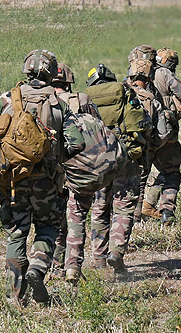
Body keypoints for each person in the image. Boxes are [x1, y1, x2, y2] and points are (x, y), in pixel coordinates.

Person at [0, 50, 85, 305]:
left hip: (13, 181)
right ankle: (37, 269)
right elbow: (77, 143)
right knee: (48, 227)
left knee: (16, 234)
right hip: (47, 183)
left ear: (26, 70)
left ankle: (15, 297)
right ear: (52, 73)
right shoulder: (59, 103)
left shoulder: (7, 99)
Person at [84, 61, 153, 274]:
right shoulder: (124, 92)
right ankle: (116, 252)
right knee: (123, 207)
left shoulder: (84, 98)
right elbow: (143, 122)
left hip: (97, 161)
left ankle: (98, 258)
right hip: (124, 158)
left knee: (99, 207)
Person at [49, 62, 111, 281]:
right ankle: (73, 266)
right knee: (77, 217)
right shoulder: (82, 100)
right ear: (68, 81)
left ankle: (55, 266)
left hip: (52, 171)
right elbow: (98, 129)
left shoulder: (44, 103)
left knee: (55, 219)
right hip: (78, 167)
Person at [138, 47, 181, 224]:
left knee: (140, 175)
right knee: (171, 172)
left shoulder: (137, 75)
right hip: (166, 134)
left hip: (143, 132)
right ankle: (167, 210)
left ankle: (136, 213)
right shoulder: (164, 73)